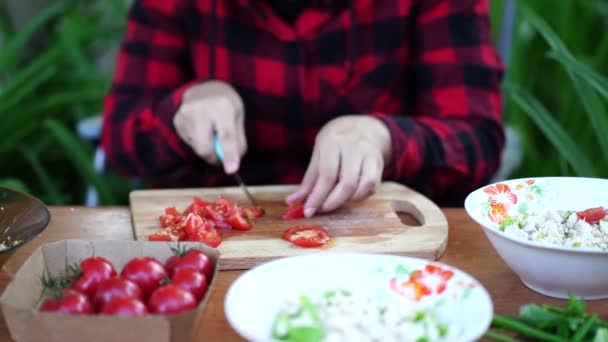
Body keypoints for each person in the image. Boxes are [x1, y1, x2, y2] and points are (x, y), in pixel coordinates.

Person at [102, 0, 504, 217]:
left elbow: (478, 142)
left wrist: (383, 138)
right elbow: (120, 141)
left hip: (380, 237)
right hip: (213, 245)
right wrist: (182, 110)